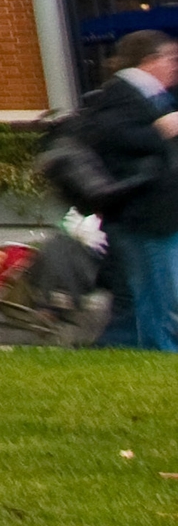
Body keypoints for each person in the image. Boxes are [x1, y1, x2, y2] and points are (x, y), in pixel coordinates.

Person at [78, 28, 178, 352]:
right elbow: (109, 137)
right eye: (170, 59)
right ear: (151, 60)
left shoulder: (151, 96)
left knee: (153, 295)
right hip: (144, 216)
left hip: (157, 214)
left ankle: (148, 348)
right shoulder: (122, 94)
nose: (174, 66)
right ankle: (160, 354)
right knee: (155, 294)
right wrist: (160, 132)